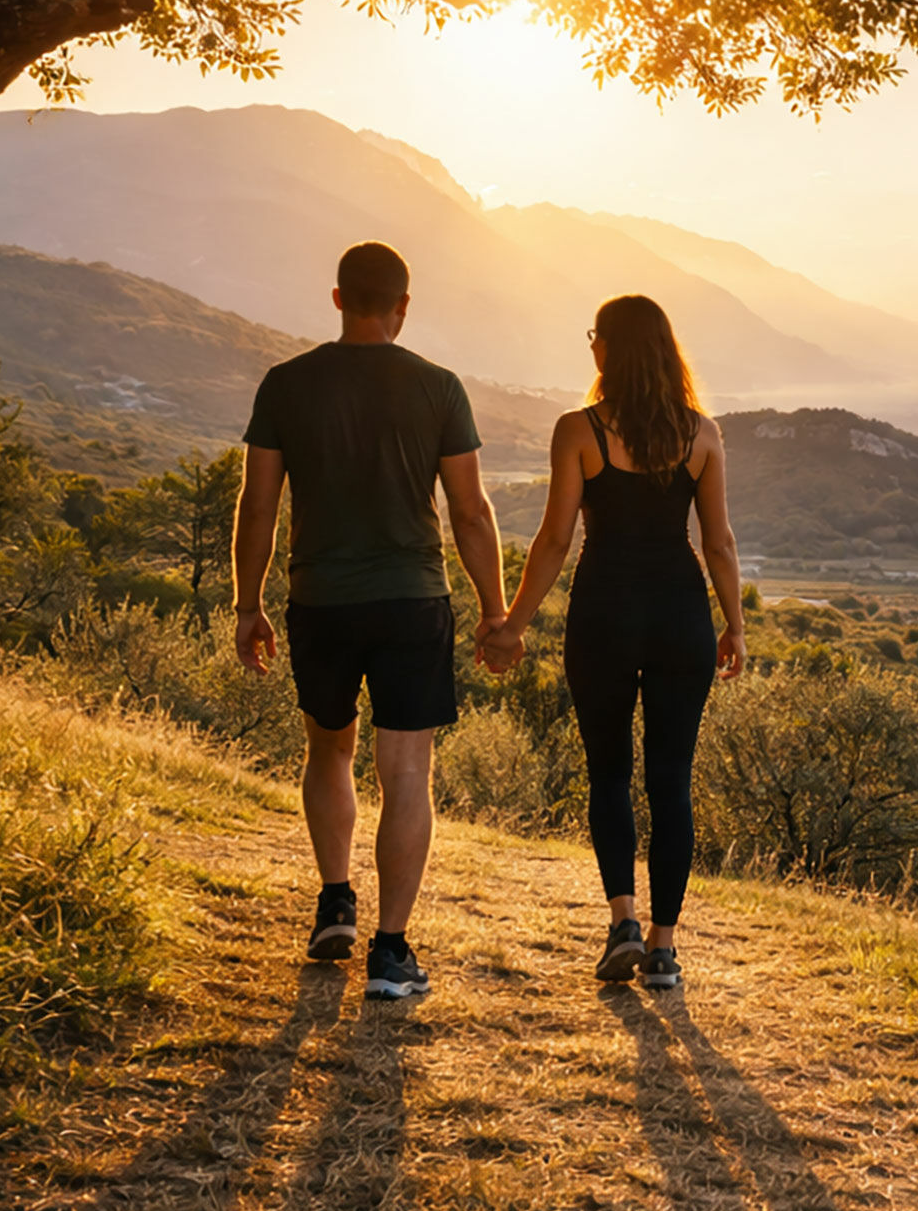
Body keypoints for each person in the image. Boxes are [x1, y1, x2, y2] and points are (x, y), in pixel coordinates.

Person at [231, 241, 511, 1001]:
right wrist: (496, 611)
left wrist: (248, 603)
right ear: (403, 307)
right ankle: (390, 952)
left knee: (328, 751)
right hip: (412, 600)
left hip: (319, 600)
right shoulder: (439, 387)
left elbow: (259, 504)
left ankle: (334, 901)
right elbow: (470, 511)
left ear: (336, 298)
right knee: (406, 772)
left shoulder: (286, 384)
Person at [486, 295, 745, 989]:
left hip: (602, 613)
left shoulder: (579, 430)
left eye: (594, 337)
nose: (590, 348)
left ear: (610, 350)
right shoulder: (702, 436)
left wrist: (512, 623)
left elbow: (553, 541)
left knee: (608, 774)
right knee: (670, 782)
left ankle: (623, 922)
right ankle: (664, 948)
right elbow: (717, 543)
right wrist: (735, 626)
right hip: (680, 618)